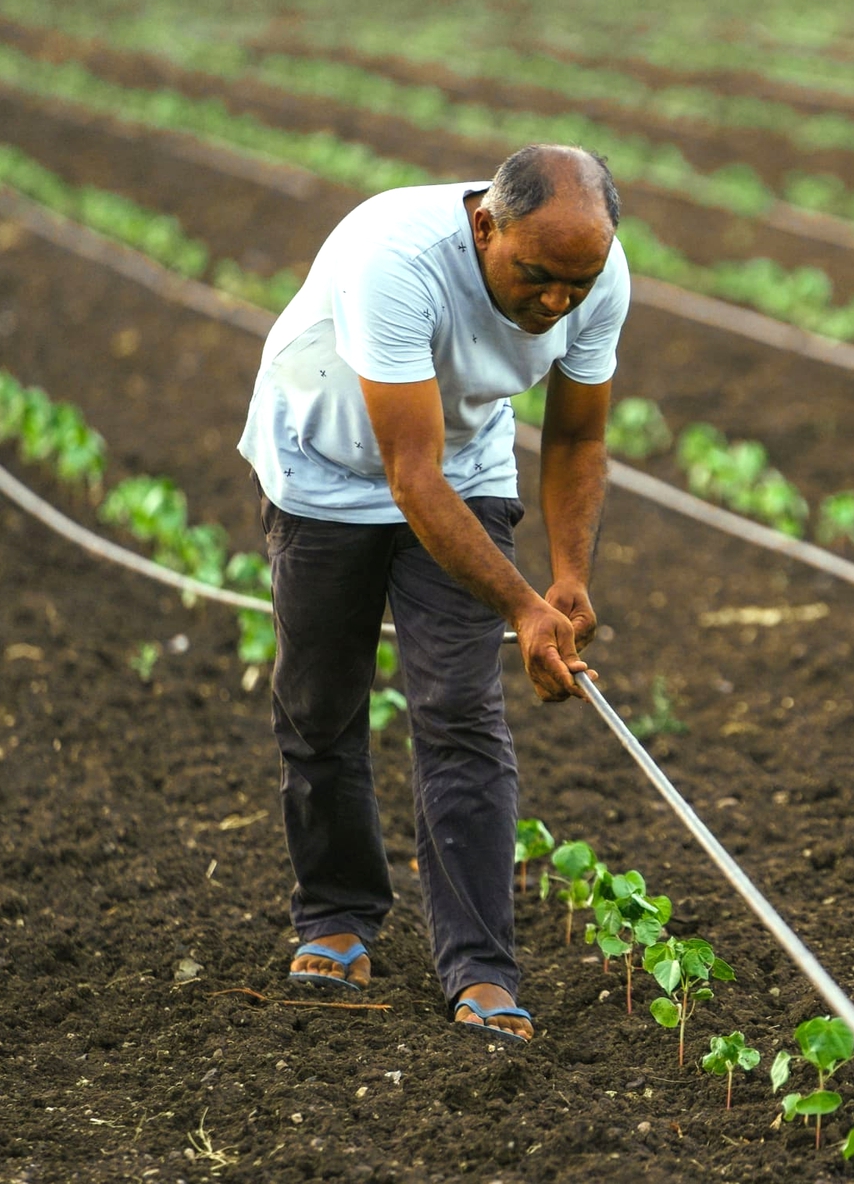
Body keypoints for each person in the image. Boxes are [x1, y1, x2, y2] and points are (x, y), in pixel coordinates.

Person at [236, 144, 628, 1043]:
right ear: (486, 226)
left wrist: (567, 578)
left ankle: (481, 971)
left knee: (457, 705)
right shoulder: (396, 259)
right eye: (539, 276)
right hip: (328, 459)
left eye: (581, 280)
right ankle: (335, 915)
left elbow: (575, 440)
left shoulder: (592, 270)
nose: (560, 301)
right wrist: (523, 606)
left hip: (466, 460)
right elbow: (408, 478)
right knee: (320, 701)